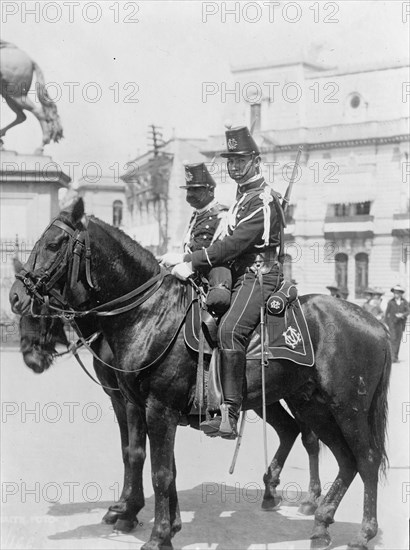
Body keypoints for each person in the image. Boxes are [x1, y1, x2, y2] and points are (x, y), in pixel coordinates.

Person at [161, 125, 285, 438]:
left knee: (230, 329)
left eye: (240, 160)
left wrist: (189, 260)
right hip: (239, 274)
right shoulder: (244, 198)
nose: (234, 167)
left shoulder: (263, 201)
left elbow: (230, 246)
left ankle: (228, 412)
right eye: (230, 161)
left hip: (260, 274)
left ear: (255, 161)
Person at [180, 162, 231, 316]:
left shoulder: (222, 214)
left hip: (213, 274)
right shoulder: (196, 215)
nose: (190, 194)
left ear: (210, 190)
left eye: (196, 189)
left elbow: (219, 251)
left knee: (218, 303)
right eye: (189, 189)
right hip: (193, 272)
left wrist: (188, 262)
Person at [384, 284, 409, 362]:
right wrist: (387, 323)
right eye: (395, 293)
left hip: (401, 323)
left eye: (398, 293)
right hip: (392, 323)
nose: (396, 295)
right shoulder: (390, 302)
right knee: (393, 339)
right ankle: (392, 357)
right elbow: (386, 313)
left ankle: (396, 357)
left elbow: (408, 311)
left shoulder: (404, 302)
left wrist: (403, 315)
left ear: (401, 294)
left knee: (398, 340)